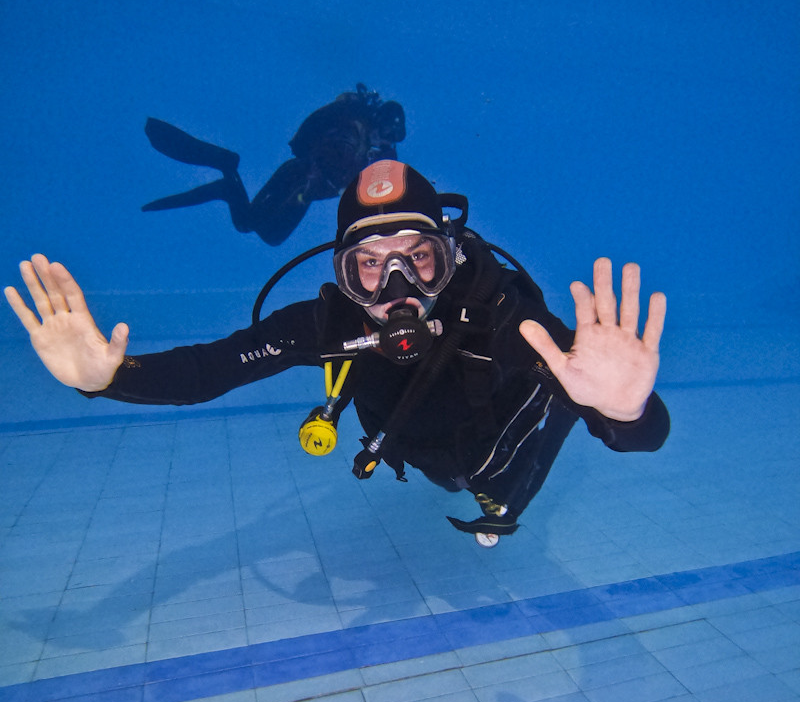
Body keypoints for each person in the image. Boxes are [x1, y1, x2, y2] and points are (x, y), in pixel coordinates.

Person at [4, 159, 669, 547]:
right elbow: (209, 370)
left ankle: (505, 497)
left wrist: (625, 411)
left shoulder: (500, 315)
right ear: (344, 272)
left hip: (490, 451)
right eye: (369, 267)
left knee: (507, 467)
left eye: (418, 259)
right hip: (414, 448)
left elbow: (643, 436)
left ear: (450, 255)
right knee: (449, 473)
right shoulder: (329, 323)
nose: (396, 289)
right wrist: (108, 378)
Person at [141, 84, 406, 246]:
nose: (385, 142)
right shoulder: (354, 131)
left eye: (391, 140)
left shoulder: (364, 141)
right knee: (263, 230)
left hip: (306, 186)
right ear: (380, 125)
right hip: (299, 180)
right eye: (387, 135)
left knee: (261, 230)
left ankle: (226, 181)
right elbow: (335, 162)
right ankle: (225, 171)